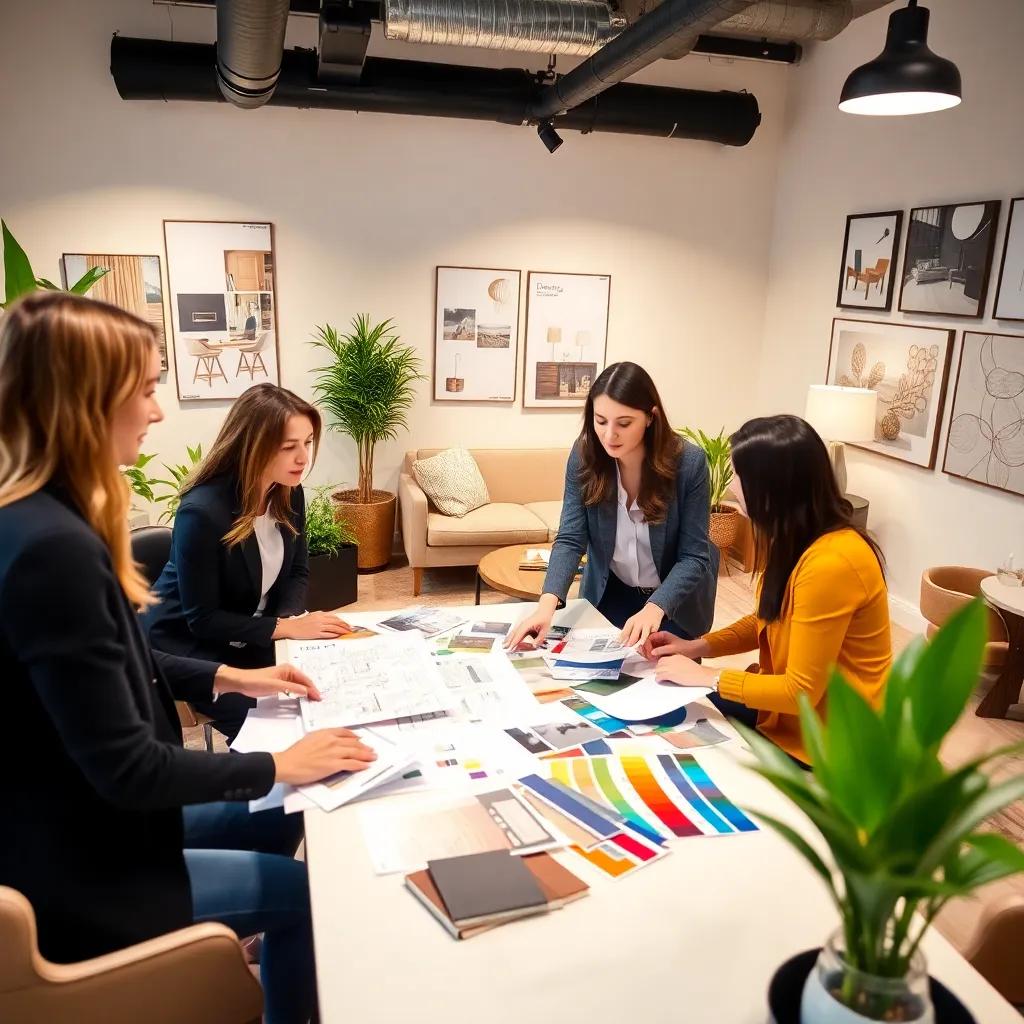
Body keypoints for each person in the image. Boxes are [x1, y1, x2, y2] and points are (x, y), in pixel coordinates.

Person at [0, 292, 377, 1024]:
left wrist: (235, 674)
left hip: (96, 821)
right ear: (86, 399)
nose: (157, 410)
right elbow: (130, 769)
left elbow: (133, 658)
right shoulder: (53, 549)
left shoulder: (44, 518)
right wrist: (277, 762)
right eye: (145, 389)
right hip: (89, 861)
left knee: (285, 814)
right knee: (305, 890)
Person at [642, 414, 892, 768]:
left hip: (830, 743)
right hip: (789, 718)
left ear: (771, 486)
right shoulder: (798, 540)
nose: (732, 489)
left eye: (738, 477)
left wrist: (708, 677)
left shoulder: (832, 562)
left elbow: (800, 692)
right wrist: (695, 646)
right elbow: (766, 620)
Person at [142, 383, 352, 743]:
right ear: (252, 445)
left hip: (248, 630)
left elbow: (298, 570)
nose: (303, 458)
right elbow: (202, 619)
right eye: (288, 447)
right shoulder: (203, 511)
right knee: (278, 730)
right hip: (186, 644)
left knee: (323, 691)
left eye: (307, 443)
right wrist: (282, 629)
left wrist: (288, 622)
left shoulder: (289, 491)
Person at [505, 361, 718, 653]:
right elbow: (571, 539)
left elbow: (694, 556)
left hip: (672, 604)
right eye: (601, 421)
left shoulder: (689, 464)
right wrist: (546, 605)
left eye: (624, 423)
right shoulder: (585, 455)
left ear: (651, 417)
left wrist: (654, 607)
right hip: (610, 594)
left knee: (665, 675)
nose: (609, 435)